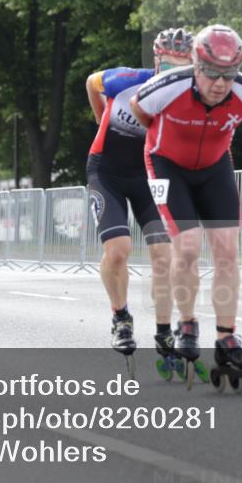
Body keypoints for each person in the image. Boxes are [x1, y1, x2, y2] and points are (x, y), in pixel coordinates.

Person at [129, 24, 242, 383]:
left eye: (228, 75)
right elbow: (139, 109)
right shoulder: (168, 87)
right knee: (188, 246)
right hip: (165, 164)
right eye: (212, 73)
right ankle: (187, 323)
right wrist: (165, 135)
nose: (220, 84)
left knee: (227, 252)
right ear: (196, 65)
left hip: (214, 167)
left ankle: (226, 337)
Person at [85, 28, 194, 366]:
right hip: (106, 173)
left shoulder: (189, 97)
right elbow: (91, 82)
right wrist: (101, 117)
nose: (174, 73)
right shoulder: (128, 80)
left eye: (183, 67)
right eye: (169, 65)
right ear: (157, 61)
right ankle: (121, 318)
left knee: (163, 255)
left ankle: (163, 330)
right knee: (118, 251)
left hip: (148, 177)